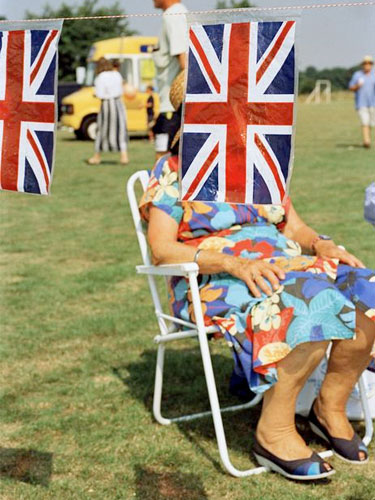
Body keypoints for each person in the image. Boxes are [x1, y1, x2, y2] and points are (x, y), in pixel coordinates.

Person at [139, 72, 375, 481]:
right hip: (213, 279)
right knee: (309, 300)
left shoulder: (260, 166)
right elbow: (162, 249)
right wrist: (232, 262)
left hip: (284, 267)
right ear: (193, 117)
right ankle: (274, 431)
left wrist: (321, 244)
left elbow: (293, 229)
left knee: (367, 293)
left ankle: (328, 407)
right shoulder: (173, 170)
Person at [152, 0, 188, 159]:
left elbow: (183, 58)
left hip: (172, 109)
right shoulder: (175, 14)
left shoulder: (173, 15)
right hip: (169, 108)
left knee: (164, 162)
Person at [87, 58, 129, 165]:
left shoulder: (100, 77)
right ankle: (124, 156)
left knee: (102, 129)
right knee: (120, 129)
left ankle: (97, 156)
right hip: (118, 103)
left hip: (106, 104)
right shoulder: (117, 74)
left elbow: (100, 93)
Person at [349, 55, 375, 148]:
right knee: (365, 122)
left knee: (371, 123)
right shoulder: (357, 75)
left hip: (373, 103)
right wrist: (357, 86)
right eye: (365, 63)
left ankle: (368, 137)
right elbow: (351, 87)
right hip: (361, 103)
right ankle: (366, 141)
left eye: (369, 63)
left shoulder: (374, 75)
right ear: (362, 65)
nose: (367, 65)